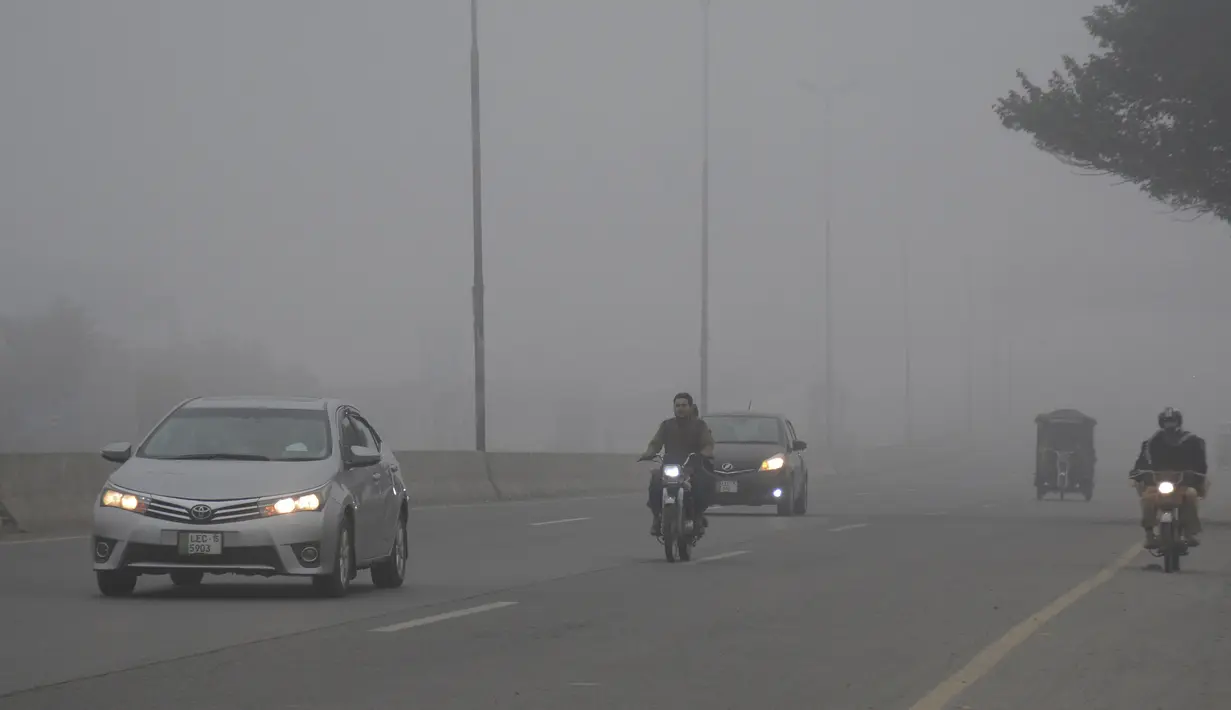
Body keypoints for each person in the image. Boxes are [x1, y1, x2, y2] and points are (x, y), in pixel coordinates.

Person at [639, 392, 715, 536]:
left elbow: (707, 443)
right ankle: (657, 518)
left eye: (684, 405)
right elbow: (656, 443)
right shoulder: (667, 425)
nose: (680, 408)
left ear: (690, 407)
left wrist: (705, 453)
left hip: (692, 466)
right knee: (655, 483)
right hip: (670, 465)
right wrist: (649, 453)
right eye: (677, 405)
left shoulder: (699, 425)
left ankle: (698, 517)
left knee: (702, 484)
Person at [1131, 407, 1207, 549]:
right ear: (1161, 423)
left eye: (1172, 421)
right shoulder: (1151, 443)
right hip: (1158, 482)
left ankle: (1190, 532)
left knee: (1190, 496)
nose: (1169, 424)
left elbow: (1201, 464)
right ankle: (1149, 534)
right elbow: (1141, 462)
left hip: (1184, 482)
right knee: (1147, 499)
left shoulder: (1192, 441)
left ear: (1179, 422)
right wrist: (1137, 472)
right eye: (1166, 421)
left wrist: (1195, 473)